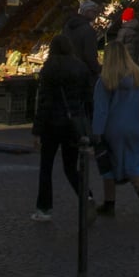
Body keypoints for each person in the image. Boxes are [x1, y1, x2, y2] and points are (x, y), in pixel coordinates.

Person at [91, 33, 139, 219]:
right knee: (133, 162)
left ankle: (111, 203)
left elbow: (101, 110)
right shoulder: (138, 74)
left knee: (108, 164)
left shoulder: (106, 79)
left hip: (113, 128)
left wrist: (97, 132)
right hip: (134, 126)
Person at [31, 34, 92, 221]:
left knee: (46, 167)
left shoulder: (50, 68)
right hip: (73, 125)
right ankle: (87, 196)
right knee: (71, 167)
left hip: (51, 123)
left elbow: (44, 101)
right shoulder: (81, 67)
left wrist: (37, 131)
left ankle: (44, 208)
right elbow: (87, 98)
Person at [65, 0, 102, 81]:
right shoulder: (88, 30)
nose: (96, 14)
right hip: (85, 74)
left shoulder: (68, 27)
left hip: (70, 71)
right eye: (94, 12)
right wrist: (97, 70)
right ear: (87, 12)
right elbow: (90, 55)